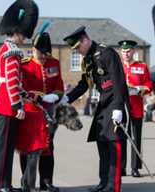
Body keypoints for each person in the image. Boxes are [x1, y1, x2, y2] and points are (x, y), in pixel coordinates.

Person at [62, 26, 129, 192]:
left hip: (114, 103)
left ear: (85, 39)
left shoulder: (107, 53)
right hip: (103, 104)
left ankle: (113, 186)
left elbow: (119, 81)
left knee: (114, 144)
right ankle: (104, 182)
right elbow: (84, 84)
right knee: (102, 143)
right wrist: (67, 98)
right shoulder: (88, 60)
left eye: (78, 47)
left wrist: (119, 107)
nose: (77, 51)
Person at [0, 1, 39, 192]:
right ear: (17, 32)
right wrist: (18, 105)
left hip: (4, 101)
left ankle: (4, 184)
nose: (24, 39)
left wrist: (26, 95)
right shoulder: (12, 51)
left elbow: (14, 81)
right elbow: (11, 80)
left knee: (7, 147)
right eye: (24, 35)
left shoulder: (6, 49)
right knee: (3, 148)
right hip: (7, 104)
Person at [18, 31, 64, 192]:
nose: (43, 57)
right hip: (30, 112)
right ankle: (26, 182)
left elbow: (59, 88)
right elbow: (20, 88)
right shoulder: (24, 65)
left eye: (46, 53)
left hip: (48, 113)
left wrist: (54, 96)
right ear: (33, 49)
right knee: (27, 147)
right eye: (40, 53)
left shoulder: (54, 63)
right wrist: (37, 97)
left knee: (48, 146)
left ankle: (47, 182)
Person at [118, 40, 153, 177]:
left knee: (135, 138)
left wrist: (141, 89)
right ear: (121, 52)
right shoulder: (118, 66)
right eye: (123, 51)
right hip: (121, 108)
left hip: (136, 107)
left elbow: (149, 83)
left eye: (128, 51)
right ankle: (121, 167)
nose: (126, 54)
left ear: (133, 52)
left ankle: (135, 168)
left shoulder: (142, 66)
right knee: (121, 138)